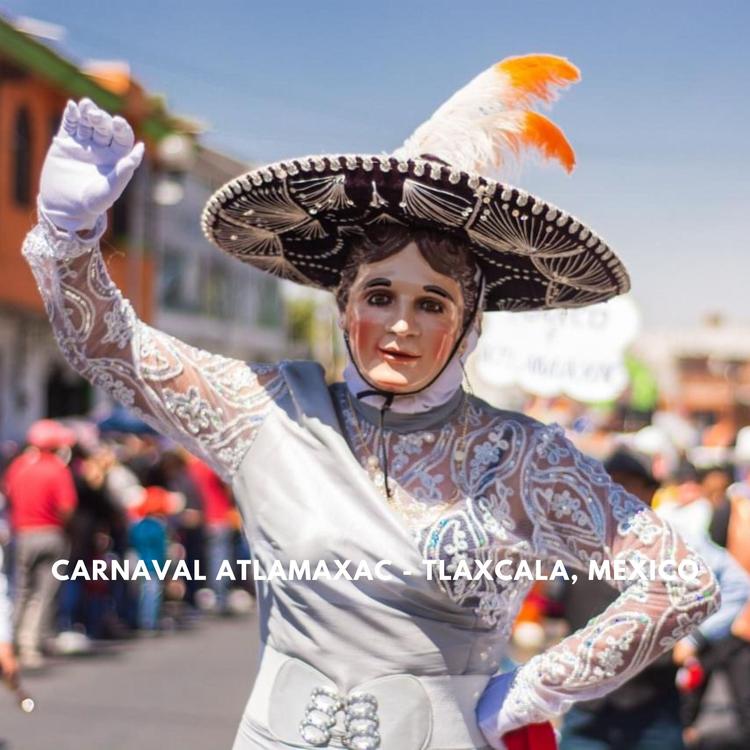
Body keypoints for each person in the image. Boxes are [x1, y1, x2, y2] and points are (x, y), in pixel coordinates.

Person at [22, 54, 719, 749]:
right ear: (344, 303)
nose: (402, 326)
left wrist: (533, 690)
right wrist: (70, 235)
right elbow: (111, 349)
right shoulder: (265, 411)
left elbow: (682, 584)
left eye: (432, 302)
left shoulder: (521, 457)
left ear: (470, 324)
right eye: (380, 296)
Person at [3, 420, 78, 668]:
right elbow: (66, 507)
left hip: (22, 533)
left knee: (20, 590)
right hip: (50, 532)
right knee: (44, 592)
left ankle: (11, 639)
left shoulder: (18, 467)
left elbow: (9, 497)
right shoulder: (57, 470)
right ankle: (30, 642)